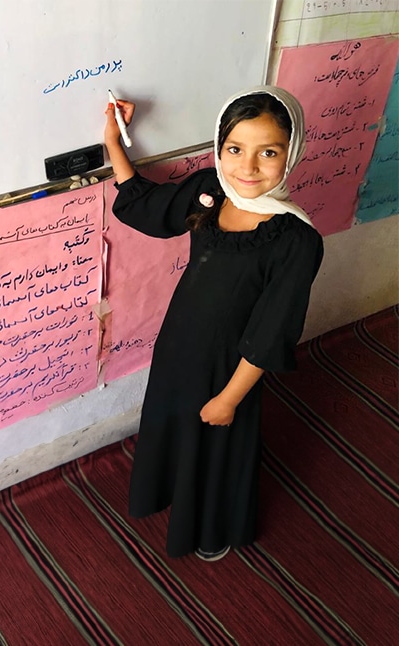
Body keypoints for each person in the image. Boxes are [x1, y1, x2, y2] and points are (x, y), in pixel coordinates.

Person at [104, 87, 324, 560]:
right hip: (178, 349)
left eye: (268, 152)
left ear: (292, 153)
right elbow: (150, 207)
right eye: (235, 149)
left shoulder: (295, 239)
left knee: (218, 446)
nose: (247, 168)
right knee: (178, 431)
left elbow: (272, 333)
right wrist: (113, 145)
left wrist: (229, 398)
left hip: (230, 370)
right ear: (220, 149)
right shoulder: (211, 191)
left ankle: (211, 529)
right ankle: (172, 498)